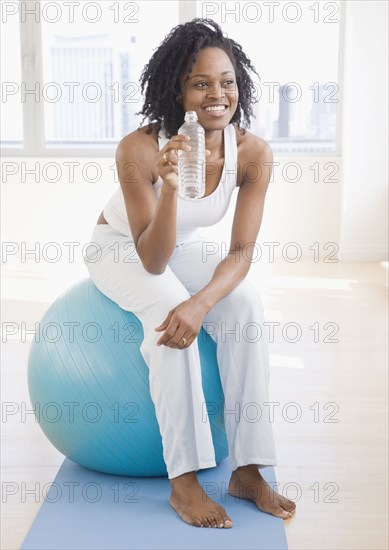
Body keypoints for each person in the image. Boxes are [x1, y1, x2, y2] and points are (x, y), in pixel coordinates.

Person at [83, 17, 296, 528]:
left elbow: (241, 251)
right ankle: (184, 483)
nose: (217, 94)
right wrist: (172, 189)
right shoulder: (139, 149)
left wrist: (201, 303)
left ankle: (248, 469)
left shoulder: (254, 154)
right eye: (200, 83)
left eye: (226, 81)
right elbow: (151, 259)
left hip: (183, 248)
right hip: (122, 248)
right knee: (164, 311)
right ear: (176, 89)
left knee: (244, 304)